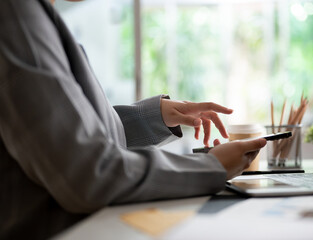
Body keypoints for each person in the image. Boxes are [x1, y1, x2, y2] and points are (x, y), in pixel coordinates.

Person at [0, 0, 267, 239]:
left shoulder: (35, 15)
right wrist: (210, 166)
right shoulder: (16, 16)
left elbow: (76, 134)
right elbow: (90, 171)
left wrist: (157, 115)